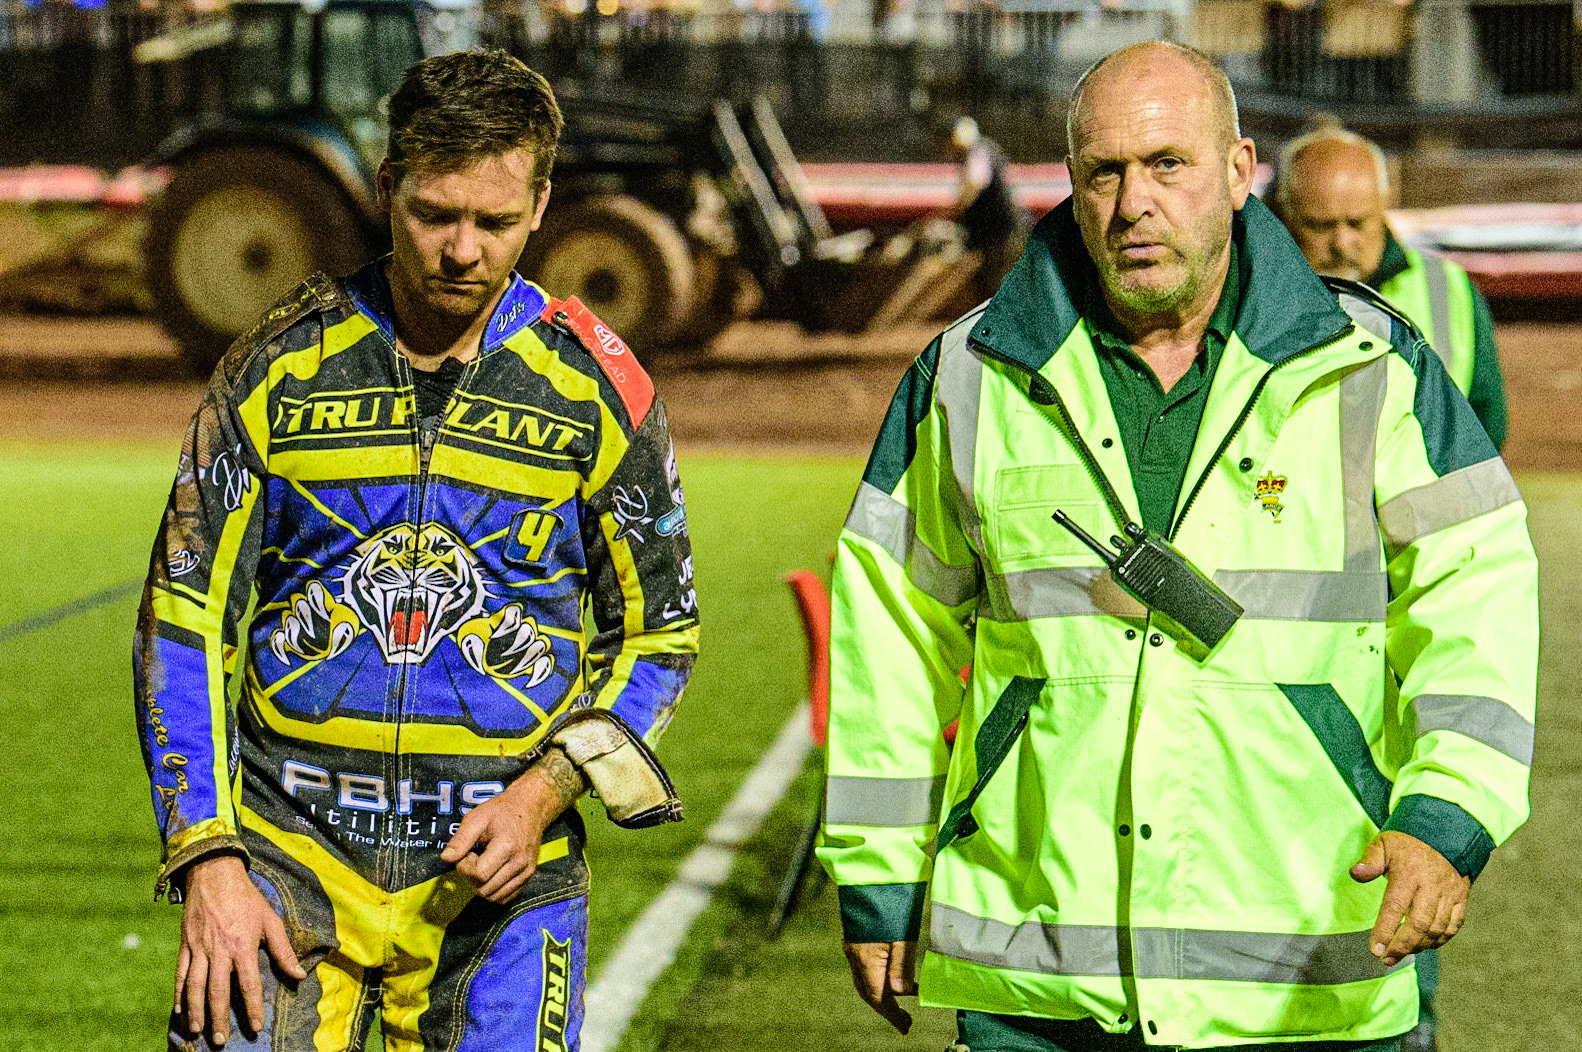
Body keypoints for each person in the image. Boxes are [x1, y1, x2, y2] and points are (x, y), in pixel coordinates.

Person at [819, 41, 1536, 1052]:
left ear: (1240, 172)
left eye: (1167, 164)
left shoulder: (1372, 365)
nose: (1131, 202)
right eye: (1102, 172)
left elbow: (1478, 592)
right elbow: (891, 628)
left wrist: (1448, 811)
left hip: (1310, 980)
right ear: (1069, 187)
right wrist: (879, 866)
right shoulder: (965, 376)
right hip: (1044, 992)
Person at [132, 50, 700, 1051]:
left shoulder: (599, 388)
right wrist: (208, 857)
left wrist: (545, 791)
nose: (460, 250)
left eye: (492, 220)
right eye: (435, 213)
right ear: (386, 186)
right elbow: (182, 614)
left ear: (540, 205)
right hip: (281, 872)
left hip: (502, 898)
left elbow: (662, 633)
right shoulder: (274, 366)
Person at [1273, 125, 1507, 450]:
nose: (1342, 242)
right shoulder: (1258, 291)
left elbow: (1485, 427)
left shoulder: (1450, 287)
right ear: (1285, 212)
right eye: (1320, 225)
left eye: (1357, 223)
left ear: (1384, 204)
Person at [932, 115, 1029, 301]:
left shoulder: (979, 152)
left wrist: (948, 213)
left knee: (993, 282)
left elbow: (972, 189)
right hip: (995, 229)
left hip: (999, 230)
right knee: (988, 281)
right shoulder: (981, 150)